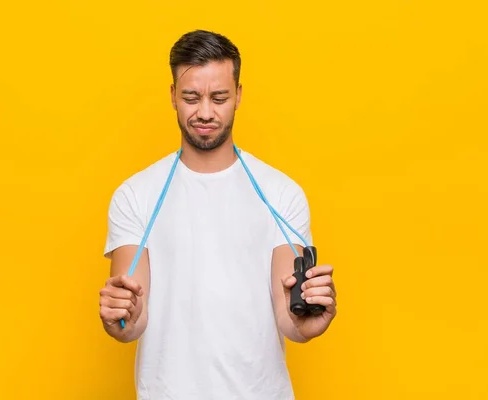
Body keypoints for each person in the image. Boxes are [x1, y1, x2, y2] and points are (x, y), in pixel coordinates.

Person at [99, 29, 337, 400]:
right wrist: (119, 318)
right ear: (173, 96)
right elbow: (132, 319)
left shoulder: (281, 193)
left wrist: (307, 323)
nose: (205, 112)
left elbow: (287, 313)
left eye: (219, 97)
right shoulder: (136, 194)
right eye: (191, 97)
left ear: (238, 95)